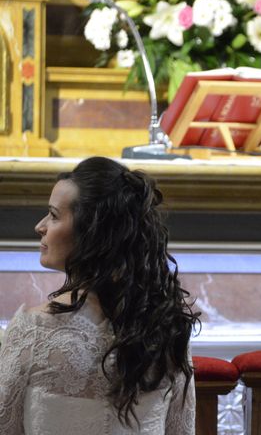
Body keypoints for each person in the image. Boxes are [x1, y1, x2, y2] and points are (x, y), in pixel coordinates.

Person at [0, 156, 200, 434]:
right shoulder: (167, 326)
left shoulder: (31, 333)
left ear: (92, 231)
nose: (41, 226)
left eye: (54, 215)